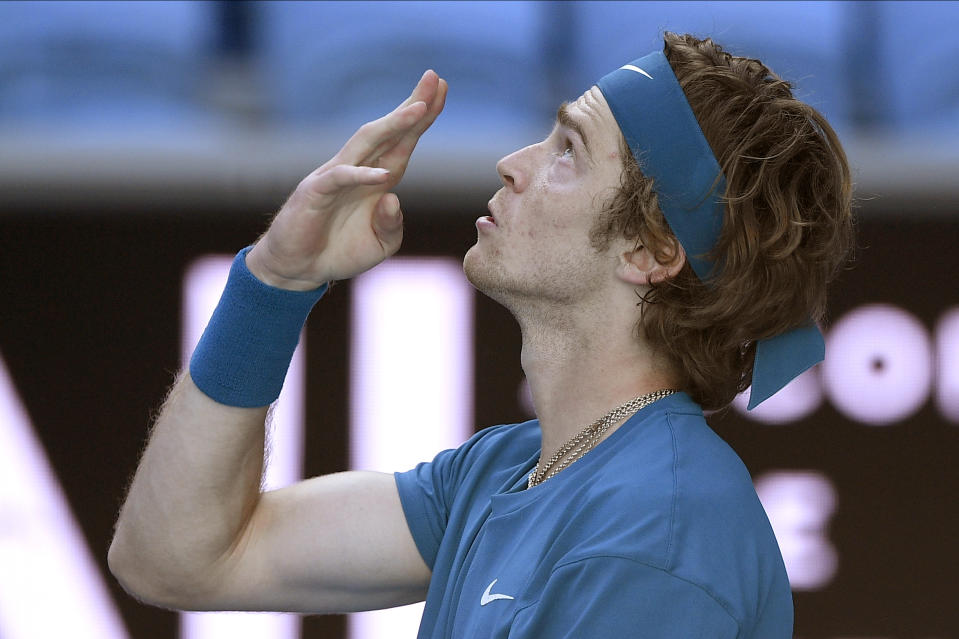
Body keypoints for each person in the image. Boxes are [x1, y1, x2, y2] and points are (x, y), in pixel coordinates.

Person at [109, 33, 853, 638]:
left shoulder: (655, 536)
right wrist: (273, 283)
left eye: (567, 149)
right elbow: (174, 559)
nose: (513, 163)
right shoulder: (506, 470)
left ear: (650, 253)